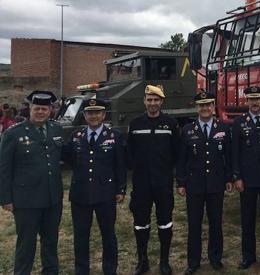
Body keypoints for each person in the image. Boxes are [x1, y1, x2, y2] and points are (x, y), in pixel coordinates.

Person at [0, 91, 63, 275]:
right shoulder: (13, 133)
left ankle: (50, 272)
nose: (40, 112)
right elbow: (4, 168)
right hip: (26, 200)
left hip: (52, 198)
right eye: (37, 108)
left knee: (51, 240)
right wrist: (5, 198)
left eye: (44, 109)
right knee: (26, 244)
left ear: (51, 110)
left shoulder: (56, 129)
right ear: (30, 109)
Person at [63, 98, 127, 275]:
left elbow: (120, 165)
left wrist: (121, 189)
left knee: (108, 235)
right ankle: (81, 270)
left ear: (103, 115)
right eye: (90, 113)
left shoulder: (113, 136)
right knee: (81, 237)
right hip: (80, 194)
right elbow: (69, 160)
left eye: (97, 112)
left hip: (105, 194)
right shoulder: (76, 136)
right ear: (84, 115)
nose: (93, 116)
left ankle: (110, 269)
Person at [176, 91, 233, 274]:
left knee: (216, 223)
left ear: (213, 105)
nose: (205, 108)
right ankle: (193, 262)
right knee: (194, 225)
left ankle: (215, 258)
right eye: (201, 105)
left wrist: (229, 178)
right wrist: (181, 183)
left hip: (216, 184)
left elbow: (228, 157)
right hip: (195, 185)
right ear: (196, 107)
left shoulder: (223, 128)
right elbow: (181, 160)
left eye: (208, 104)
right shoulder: (187, 130)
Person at [127, 85, 180, 275]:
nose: (152, 103)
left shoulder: (171, 124)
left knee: (165, 222)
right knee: (141, 223)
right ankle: (143, 261)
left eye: (156, 100)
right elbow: (130, 152)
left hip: (163, 182)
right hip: (141, 184)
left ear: (161, 102)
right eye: (149, 100)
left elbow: (177, 152)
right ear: (144, 101)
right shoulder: (135, 124)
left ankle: (164, 261)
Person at [232, 86, 260, 270]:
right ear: (246, 101)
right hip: (247, 180)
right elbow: (235, 153)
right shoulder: (239, 123)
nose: (255, 102)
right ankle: (248, 256)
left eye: (258, 98)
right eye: (251, 99)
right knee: (247, 220)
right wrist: (237, 177)